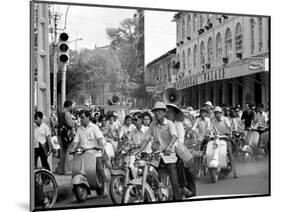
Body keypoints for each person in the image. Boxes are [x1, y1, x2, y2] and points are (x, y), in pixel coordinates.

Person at [137, 102, 182, 200]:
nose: (157, 113)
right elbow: (146, 139)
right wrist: (140, 151)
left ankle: (179, 201)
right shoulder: (153, 125)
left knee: (174, 182)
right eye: (155, 111)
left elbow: (174, 136)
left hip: (169, 156)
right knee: (147, 174)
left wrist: (169, 146)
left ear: (164, 112)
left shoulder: (170, 124)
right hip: (156, 157)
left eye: (159, 111)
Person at [71, 110, 109, 197]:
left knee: (99, 168)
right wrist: (73, 149)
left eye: (83, 118)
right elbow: (76, 141)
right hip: (83, 154)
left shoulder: (94, 127)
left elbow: (99, 138)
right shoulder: (79, 129)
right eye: (80, 118)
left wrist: (100, 145)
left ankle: (105, 187)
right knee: (78, 170)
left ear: (88, 117)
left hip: (95, 153)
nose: (81, 120)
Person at [166, 103, 196, 198]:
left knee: (182, 165)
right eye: (167, 111)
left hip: (176, 150)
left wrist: (170, 147)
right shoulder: (163, 124)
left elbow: (180, 140)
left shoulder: (178, 125)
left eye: (170, 112)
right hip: (163, 152)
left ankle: (185, 187)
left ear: (175, 114)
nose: (168, 114)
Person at [212, 106, 238, 178]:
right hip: (217, 138)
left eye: (218, 113)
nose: (216, 115)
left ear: (221, 113)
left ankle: (234, 172)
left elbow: (229, 128)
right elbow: (210, 129)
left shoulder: (225, 119)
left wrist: (229, 134)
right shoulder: (213, 121)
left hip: (226, 138)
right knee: (213, 150)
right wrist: (210, 134)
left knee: (229, 152)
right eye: (215, 113)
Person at [55, 100, 75, 175]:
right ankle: (68, 170)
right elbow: (70, 124)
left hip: (61, 134)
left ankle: (61, 170)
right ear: (69, 106)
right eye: (71, 106)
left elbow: (57, 123)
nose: (72, 107)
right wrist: (74, 122)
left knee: (63, 152)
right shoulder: (67, 113)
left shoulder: (60, 112)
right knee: (69, 151)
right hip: (67, 135)